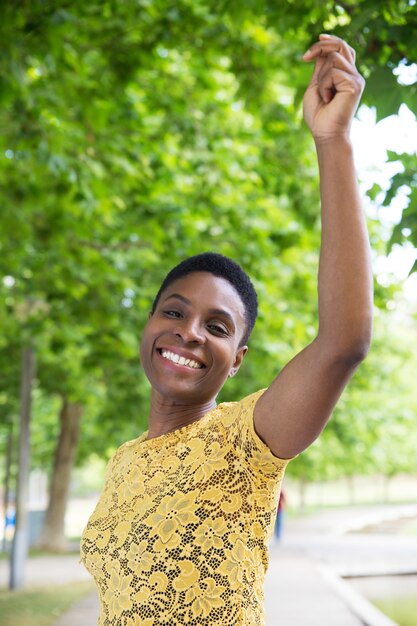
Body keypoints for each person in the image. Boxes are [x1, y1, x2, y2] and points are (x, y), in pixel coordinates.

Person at [80, 34, 373, 626]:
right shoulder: (122, 461)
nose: (188, 332)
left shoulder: (246, 442)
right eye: (173, 311)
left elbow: (343, 341)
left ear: (236, 360)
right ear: (149, 325)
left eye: (216, 326)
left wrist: (333, 140)